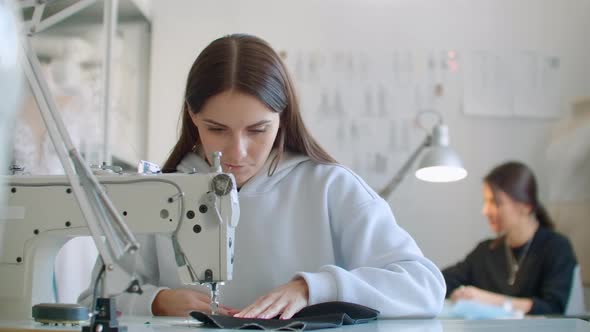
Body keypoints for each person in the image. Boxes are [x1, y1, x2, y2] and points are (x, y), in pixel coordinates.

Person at [80, 33, 445, 319]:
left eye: (257, 130)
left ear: (282, 117)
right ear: (192, 116)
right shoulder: (160, 192)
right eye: (216, 128)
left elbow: (424, 287)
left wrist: (314, 288)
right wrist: (157, 301)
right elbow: (95, 296)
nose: (238, 152)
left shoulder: (331, 189)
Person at [442, 161, 577, 315]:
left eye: (495, 202)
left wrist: (487, 299)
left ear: (526, 206)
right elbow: (443, 282)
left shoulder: (556, 248)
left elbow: (552, 308)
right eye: (485, 202)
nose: (485, 211)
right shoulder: (485, 252)